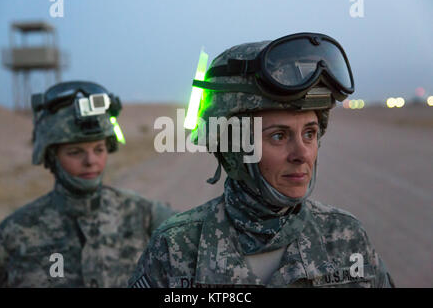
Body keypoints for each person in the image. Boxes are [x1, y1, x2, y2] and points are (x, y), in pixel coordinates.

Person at [129, 33, 395, 288]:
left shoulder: (346, 238)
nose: (302, 154)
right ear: (233, 149)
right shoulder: (177, 250)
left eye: (310, 133)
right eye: (279, 136)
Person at [0, 81, 175, 287]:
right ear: (51, 157)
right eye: (75, 152)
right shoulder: (14, 233)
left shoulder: (144, 215)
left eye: (99, 149)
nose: (90, 161)